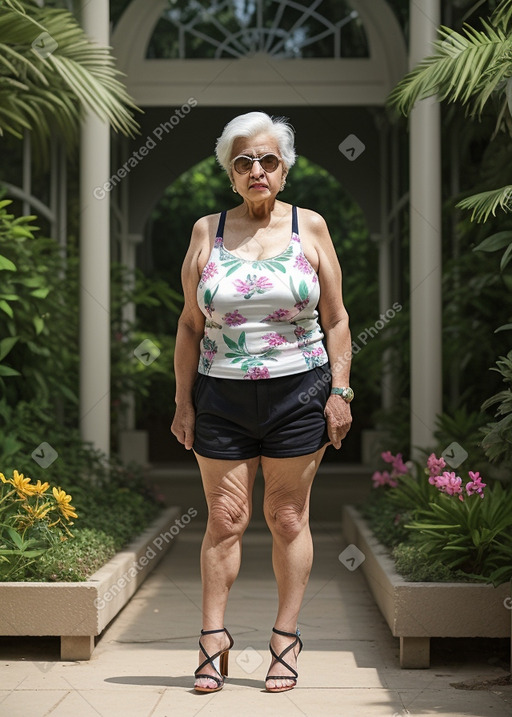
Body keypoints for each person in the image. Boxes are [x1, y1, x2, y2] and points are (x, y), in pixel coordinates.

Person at [171, 111, 353, 693]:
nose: (256, 169)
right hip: (220, 391)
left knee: (287, 517)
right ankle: (212, 638)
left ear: (284, 170)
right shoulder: (207, 232)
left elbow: (338, 319)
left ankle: (284, 638)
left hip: (299, 389)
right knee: (225, 519)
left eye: (268, 159)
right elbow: (189, 327)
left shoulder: (312, 228)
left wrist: (341, 392)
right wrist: (183, 404)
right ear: (230, 172)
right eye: (244, 160)